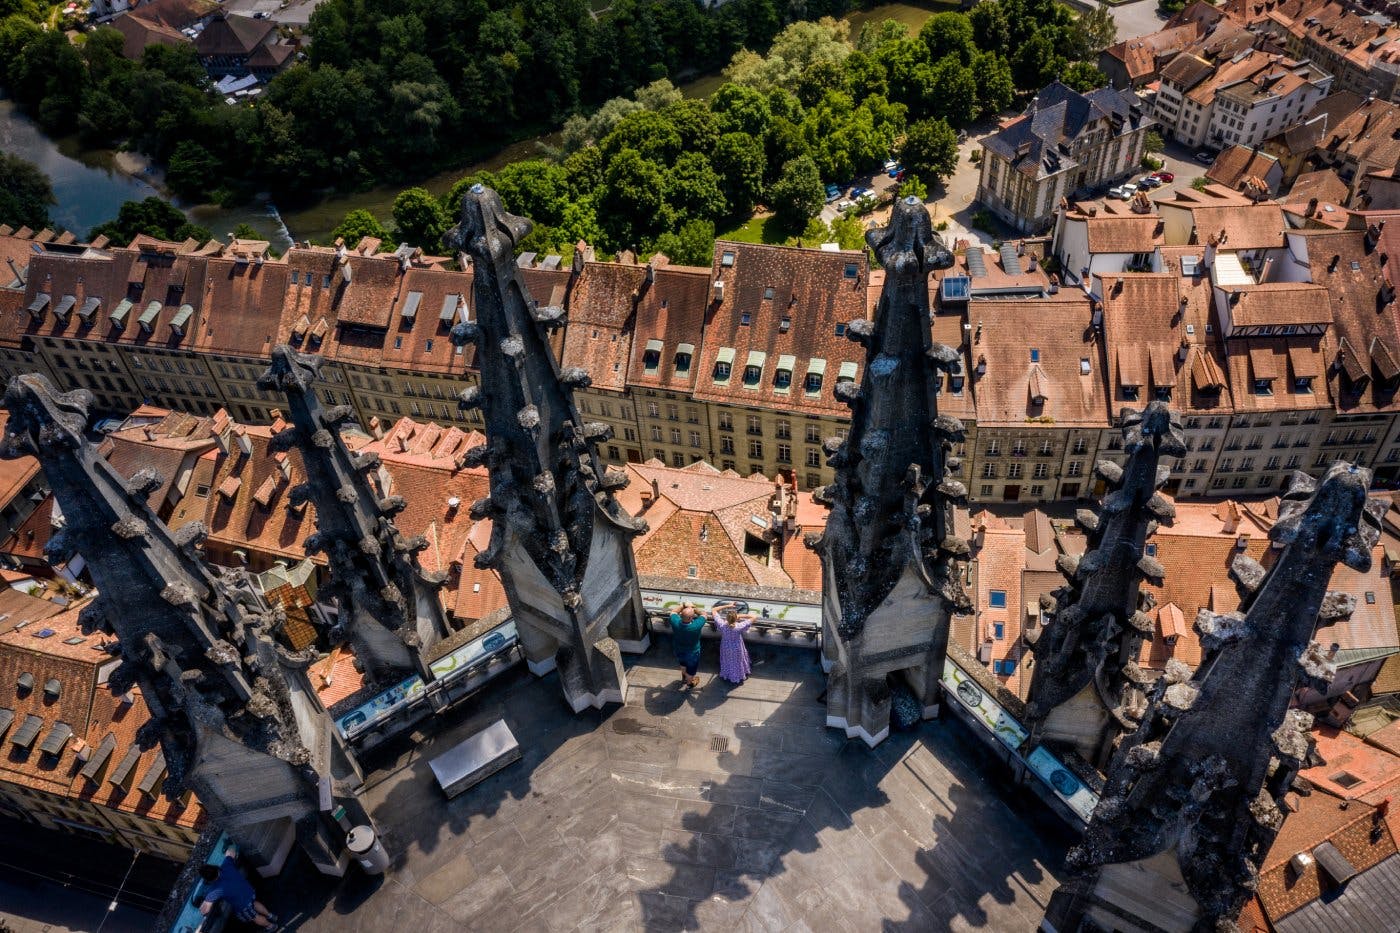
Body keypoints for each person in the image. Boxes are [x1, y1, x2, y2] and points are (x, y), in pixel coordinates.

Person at [199, 845, 279, 930]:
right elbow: (231, 851)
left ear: (208, 879)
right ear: (214, 867)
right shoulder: (226, 865)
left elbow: (204, 910)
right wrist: (227, 849)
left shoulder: (215, 890)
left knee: (254, 917)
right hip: (249, 892)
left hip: (242, 905)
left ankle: (271, 926)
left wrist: (204, 904)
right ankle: (271, 915)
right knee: (254, 903)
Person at [712, 601, 754, 685]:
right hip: (737, 648)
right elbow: (754, 617)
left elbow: (714, 610)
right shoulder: (739, 626)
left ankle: (728, 674)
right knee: (738, 662)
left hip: (725, 647)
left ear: (726, 618)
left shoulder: (722, 625)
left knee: (727, 660)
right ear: (736, 619)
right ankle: (738, 675)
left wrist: (729, 605)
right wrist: (739, 615)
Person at [669, 603, 707, 689]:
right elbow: (704, 614)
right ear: (691, 618)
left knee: (683, 664)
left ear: (681, 616)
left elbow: (673, 612)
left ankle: (684, 677)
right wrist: (694, 608)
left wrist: (683, 605)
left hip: (678, 649)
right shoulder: (696, 625)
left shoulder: (675, 623)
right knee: (691, 670)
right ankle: (690, 683)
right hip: (692, 653)